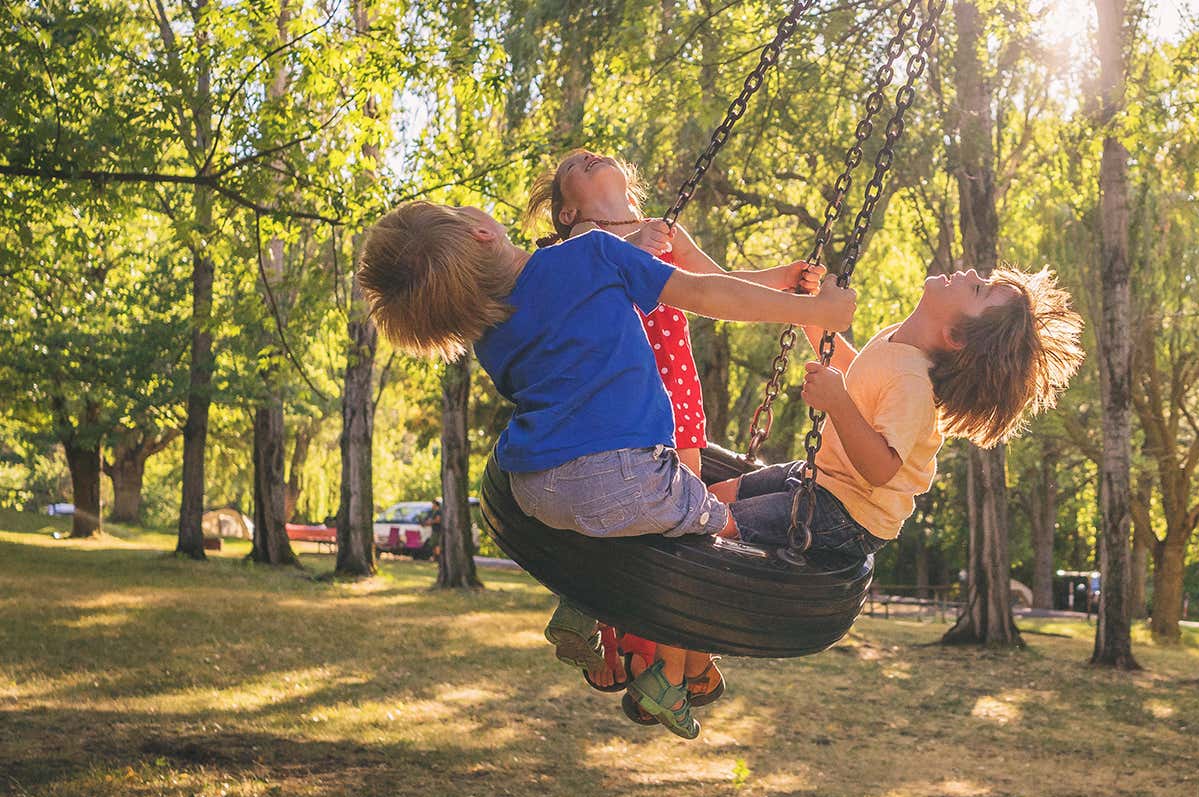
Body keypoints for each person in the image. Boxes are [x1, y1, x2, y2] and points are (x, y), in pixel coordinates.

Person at [357, 201, 856, 738]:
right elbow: (707, 293)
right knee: (721, 526)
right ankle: (663, 676)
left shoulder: (489, 334)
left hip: (533, 488)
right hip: (623, 474)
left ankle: (581, 603)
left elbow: (563, 318)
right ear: (481, 233)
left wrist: (630, 252)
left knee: (613, 525)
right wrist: (812, 313)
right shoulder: (592, 253)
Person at [522, 149, 824, 719]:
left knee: (673, 532)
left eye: (594, 155)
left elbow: (715, 285)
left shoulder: (665, 232)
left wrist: (783, 285)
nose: (588, 155)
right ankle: (590, 617)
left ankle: (665, 665)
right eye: (575, 165)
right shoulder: (573, 248)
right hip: (614, 405)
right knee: (611, 509)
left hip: (677, 403)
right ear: (566, 210)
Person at [710, 266, 1085, 563]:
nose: (971, 274)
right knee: (714, 496)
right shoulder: (899, 341)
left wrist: (838, 402)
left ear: (955, 334)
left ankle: (687, 656)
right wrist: (812, 314)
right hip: (823, 478)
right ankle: (694, 661)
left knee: (714, 521)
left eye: (977, 290)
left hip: (849, 513)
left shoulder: (914, 386)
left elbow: (882, 468)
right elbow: (859, 372)